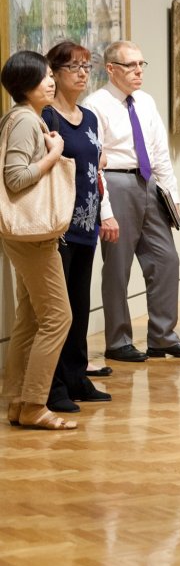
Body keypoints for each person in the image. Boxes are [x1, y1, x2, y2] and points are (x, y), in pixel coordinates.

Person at [83, 41, 180, 361]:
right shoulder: (95, 105)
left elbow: (159, 152)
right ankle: (118, 341)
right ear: (111, 69)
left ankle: (163, 337)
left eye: (141, 64)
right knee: (118, 268)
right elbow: (93, 163)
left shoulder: (146, 102)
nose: (139, 71)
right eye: (131, 65)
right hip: (116, 183)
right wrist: (105, 209)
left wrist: (172, 195)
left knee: (167, 260)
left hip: (149, 183)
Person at [1, 51, 76, 430]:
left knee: (29, 319)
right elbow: (15, 178)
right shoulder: (25, 122)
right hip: (32, 234)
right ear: (26, 83)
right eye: (45, 76)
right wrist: (55, 154)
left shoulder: (25, 118)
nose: (51, 81)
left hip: (25, 233)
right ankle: (34, 404)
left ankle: (17, 402)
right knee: (58, 318)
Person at [42, 41, 111, 412]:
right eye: (74, 67)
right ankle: (52, 386)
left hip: (88, 221)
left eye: (87, 66)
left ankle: (77, 376)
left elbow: (95, 170)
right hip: (59, 225)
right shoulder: (47, 117)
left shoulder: (89, 117)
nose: (83, 73)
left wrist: (104, 213)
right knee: (58, 311)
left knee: (81, 305)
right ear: (54, 72)